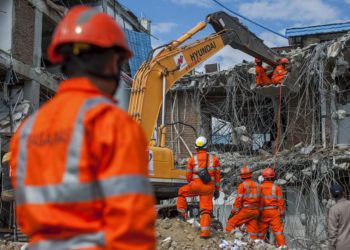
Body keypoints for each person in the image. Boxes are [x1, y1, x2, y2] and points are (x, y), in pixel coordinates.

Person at [10, 6, 155, 249]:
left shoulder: (27, 131)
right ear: (111, 61)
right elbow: (131, 231)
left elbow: (25, 216)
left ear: (64, 61)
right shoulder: (113, 124)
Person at [177, 136, 221, 238]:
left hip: (195, 185)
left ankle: (181, 216)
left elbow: (188, 176)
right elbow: (218, 177)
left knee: (182, 192)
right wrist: (217, 190)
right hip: (208, 188)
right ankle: (205, 233)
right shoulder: (214, 159)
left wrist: (192, 184)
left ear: (196, 148)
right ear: (206, 147)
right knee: (206, 209)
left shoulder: (192, 159)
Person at [226, 166, 261, 240]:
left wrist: (233, 212)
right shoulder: (258, 185)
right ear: (250, 174)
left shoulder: (242, 186)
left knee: (230, 224)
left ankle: (234, 241)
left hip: (246, 211)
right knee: (253, 232)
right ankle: (254, 245)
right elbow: (261, 200)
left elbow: (238, 201)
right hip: (255, 212)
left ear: (241, 176)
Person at [259, 167, 287, 247]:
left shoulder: (259, 188)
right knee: (279, 233)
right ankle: (283, 248)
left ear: (263, 178)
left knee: (260, 235)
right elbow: (281, 203)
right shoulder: (277, 188)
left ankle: (256, 247)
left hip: (262, 214)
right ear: (273, 177)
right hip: (274, 214)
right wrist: (281, 214)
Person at [328, 184, 350, 250]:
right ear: (344, 193)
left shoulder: (333, 209)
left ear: (332, 195)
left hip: (342, 245)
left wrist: (332, 245)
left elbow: (332, 232)